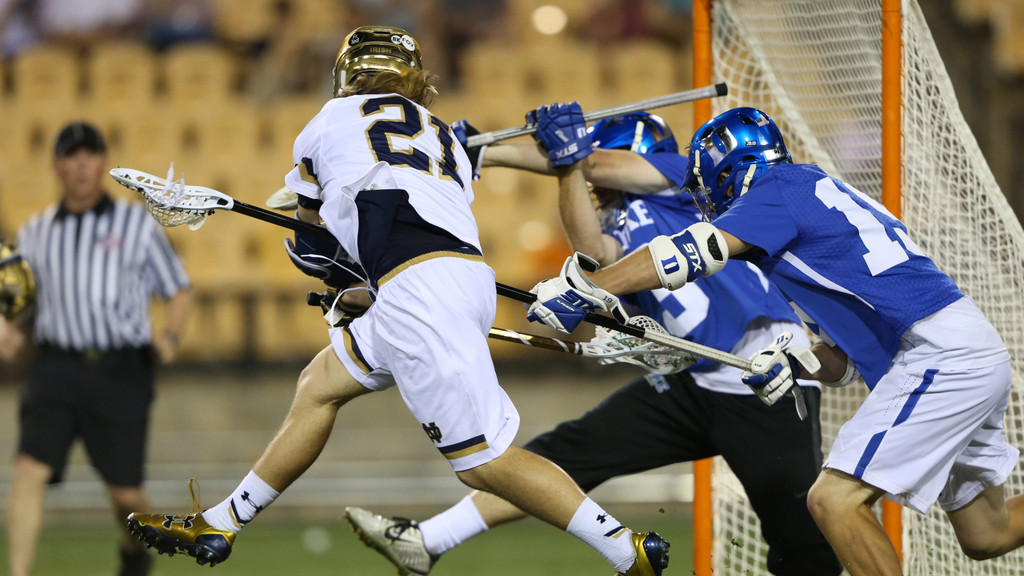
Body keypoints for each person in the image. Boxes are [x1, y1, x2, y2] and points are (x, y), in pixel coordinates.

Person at [125, 26, 669, 576]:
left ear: (349, 75)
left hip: (418, 291)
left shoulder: (326, 122)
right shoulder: (445, 137)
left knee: (485, 465)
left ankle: (626, 550)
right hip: (443, 279)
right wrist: (364, 291)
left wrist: (339, 275)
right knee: (319, 387)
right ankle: (223, 522)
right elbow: (410, 220)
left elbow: (317, 248)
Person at [524, 106, 1024, 576]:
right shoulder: (805, 208)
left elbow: (693, 251)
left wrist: (592, 286)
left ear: (729, 170)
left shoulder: (778, 187)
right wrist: (791, 362)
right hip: (962, 352)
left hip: (937, 359)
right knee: (986, 533)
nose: (706, 200)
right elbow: (844, 362)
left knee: (833, 500)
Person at [343, 109, 843, 575]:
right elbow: (590, 254)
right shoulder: (620, 224)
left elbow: (596, 162)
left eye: (596, 175)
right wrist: (562, 168)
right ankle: (426, 542)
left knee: (802, 545)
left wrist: (489, 151)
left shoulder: (682, 183)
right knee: (562, 455)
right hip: (696, 382)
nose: (594, 188)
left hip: (764, 382)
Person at [1, 120, 192, 576]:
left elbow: (177, 288)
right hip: (55, 366)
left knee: (125, 495)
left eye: (90, 155)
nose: (82, 165)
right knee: (28, 470)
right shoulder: (36, 232)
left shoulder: (135, 224)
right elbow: (21, 305)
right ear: (56, 166)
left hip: (120, 370)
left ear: (103, 163)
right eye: (72, 155)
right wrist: (9, 331)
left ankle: (135, 550)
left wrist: (169, 337)